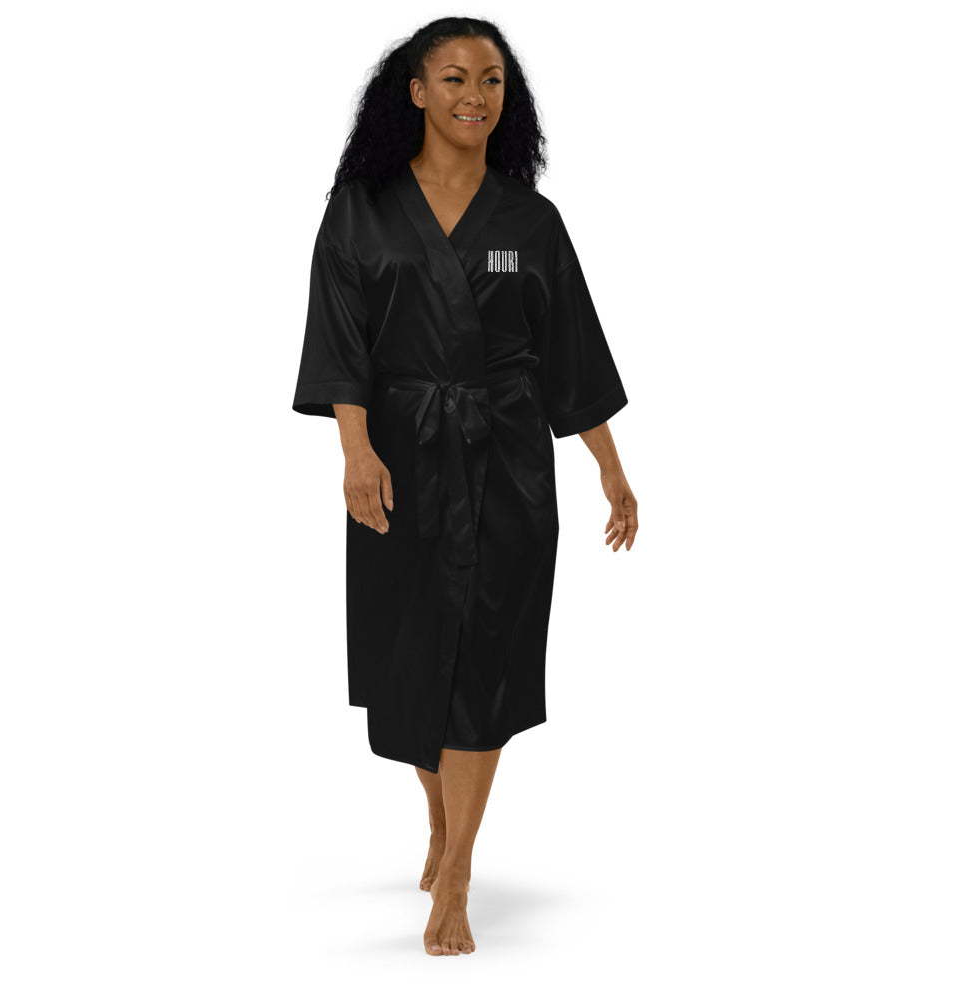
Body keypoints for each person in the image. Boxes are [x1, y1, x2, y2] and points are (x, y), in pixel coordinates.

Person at [292, 17, 639, 956]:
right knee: (411, 665)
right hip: (400, 463)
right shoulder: (361, 208)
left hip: (507, 466)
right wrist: (354, 451)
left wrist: (610, 467)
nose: (474, 96)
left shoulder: (530, 222)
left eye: (490, 80)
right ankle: (440, 817)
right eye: (453, 78)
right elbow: (340, 340)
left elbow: (571, 353)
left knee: (484, 664)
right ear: (416, 92)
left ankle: (456, 870)